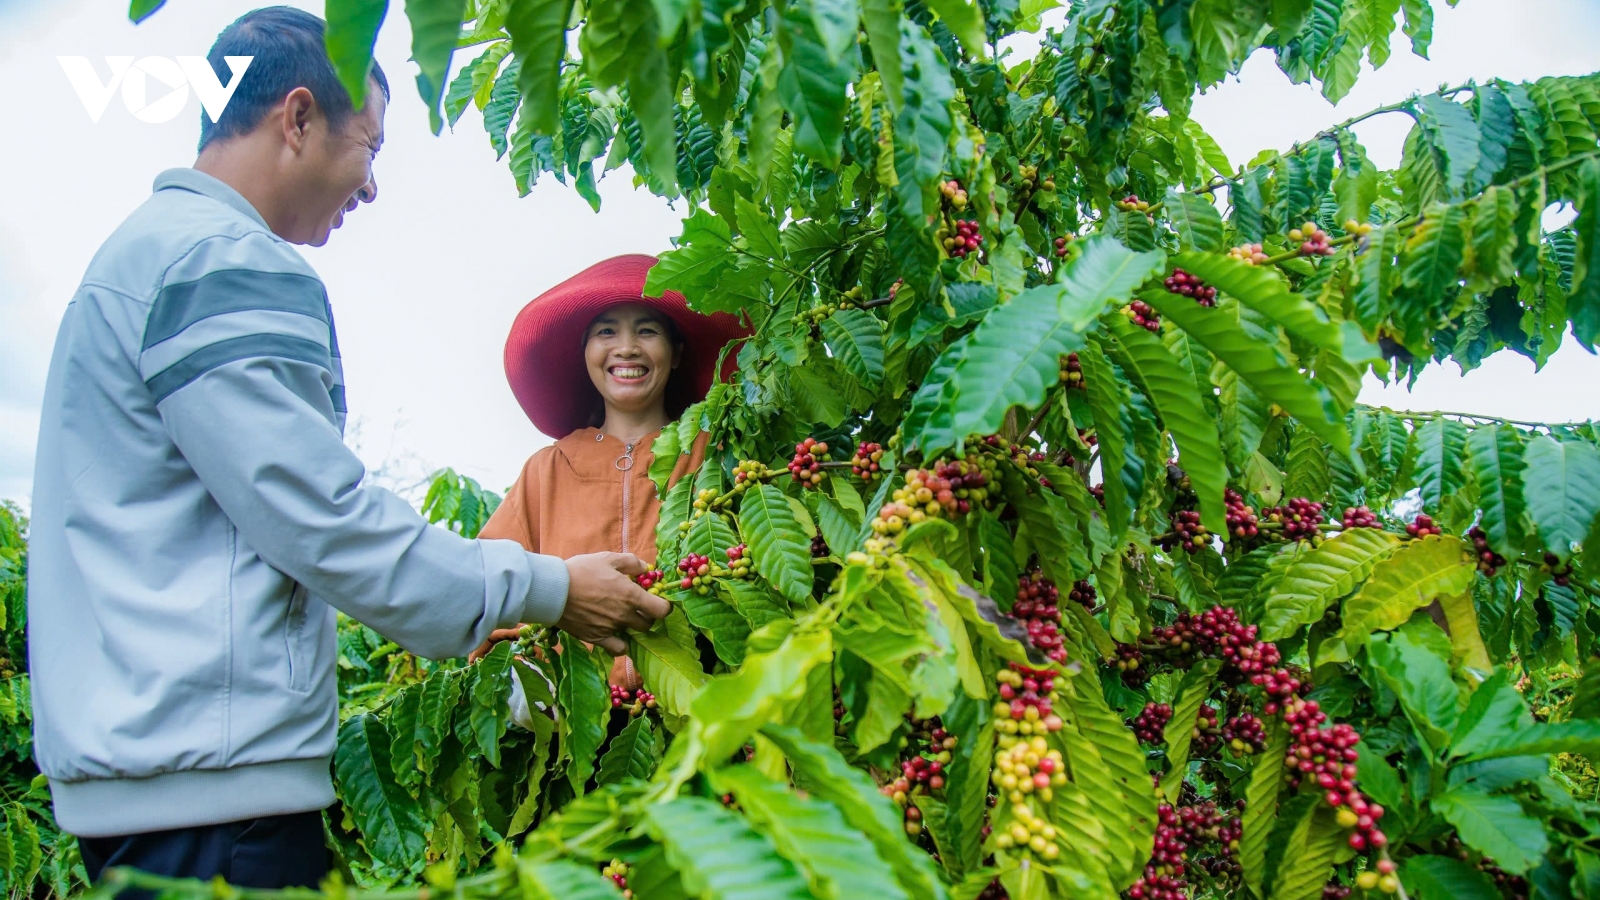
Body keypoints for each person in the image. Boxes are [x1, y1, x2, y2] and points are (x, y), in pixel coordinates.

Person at [26, 8, 666, 890]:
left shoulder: (137, 256)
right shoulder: (224, 260)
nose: (370, 189)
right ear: (297, 119)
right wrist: (552, 586)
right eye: (368, 149)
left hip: (153, 778)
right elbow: (322, 518)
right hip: (215, 798)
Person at [469, 255, 746, 691]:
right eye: (606, 331)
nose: (627, 347)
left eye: (647, 330)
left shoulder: (716, 455)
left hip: (705, 717)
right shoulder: (547, 469)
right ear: (584, 354)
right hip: (573, 723)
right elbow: (489, 589)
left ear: (675, 355)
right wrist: (531, 687)